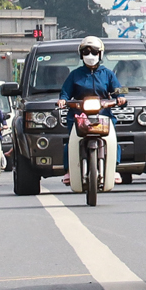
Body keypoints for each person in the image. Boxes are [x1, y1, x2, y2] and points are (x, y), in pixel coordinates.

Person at [59, 36, 125, 192]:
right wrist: (62, 100)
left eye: (94, 51)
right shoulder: (75, 75)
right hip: (78, 115)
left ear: (100, 54)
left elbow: (119, 90)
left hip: (104, 114)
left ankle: (113, 167)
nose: (90, 55)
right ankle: (69, 170)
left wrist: (121, 97)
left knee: (113, 140)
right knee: (71, 142)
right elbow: (65, 93)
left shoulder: (108, 74)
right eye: (86, 51)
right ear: (81, 55)